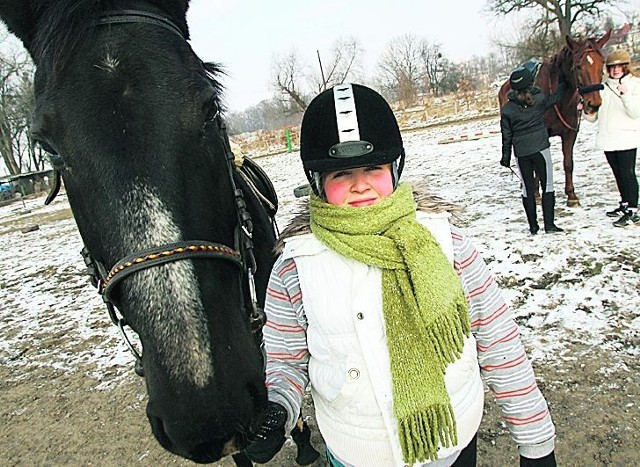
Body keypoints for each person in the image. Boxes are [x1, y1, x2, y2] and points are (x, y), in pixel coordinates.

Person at [244, 83, 557, 466]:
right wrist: (277, 409)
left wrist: (536, 440)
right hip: (357, 453)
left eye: (373, 168)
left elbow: (499, 342)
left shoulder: (447, 243)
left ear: (395, 168)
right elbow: (285, 360)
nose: (360, 185)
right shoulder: (295, 267)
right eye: (341, 173)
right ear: (317, 182)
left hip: (450, 443)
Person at [500, 65, 566, 234]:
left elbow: (506, 135)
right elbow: (556, 98)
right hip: (540, 148)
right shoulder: (539, 99)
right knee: (547, 185)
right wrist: (564, 82)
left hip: (521, 153)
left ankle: (533, 226)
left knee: (527, 189)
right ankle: (549, 225)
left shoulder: (507, 109)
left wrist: (506, 157)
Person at [582, 49, 640, 227]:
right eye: (612, 67)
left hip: (626, 136)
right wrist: (586, 109)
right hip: (608, 138)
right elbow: (595, 117)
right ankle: (624, 203)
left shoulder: (635, 84)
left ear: (626, 67)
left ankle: (633, 209)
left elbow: (635, 112)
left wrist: (626, 95)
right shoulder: (604, 86)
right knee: (618, 174)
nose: (615, 70)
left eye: (619, 67)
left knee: (628, 173)